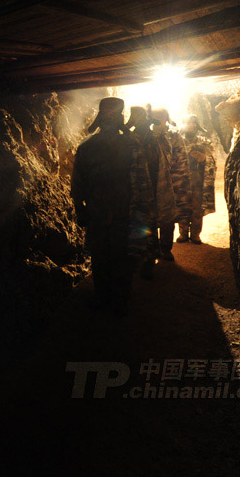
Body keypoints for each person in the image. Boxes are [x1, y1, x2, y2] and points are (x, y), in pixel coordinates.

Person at [71, 98, 151, 316]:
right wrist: (144, 211)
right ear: (121, 118)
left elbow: (77, 182)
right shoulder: (131, 144)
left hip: (105, 212)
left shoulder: (87, 146)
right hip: (119, 212)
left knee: (104, 257)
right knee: (117, 257)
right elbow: (142, 181)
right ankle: (117, 300)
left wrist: (80, 208)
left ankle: (106, 298)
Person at [126, 107, 190, 279]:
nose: (159, 121)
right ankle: (149, 254)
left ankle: (165, 249)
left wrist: (179, 184)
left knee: (167, 218)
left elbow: (178, 160)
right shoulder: (133, 138)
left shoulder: (168, 137)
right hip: (145, 186)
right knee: (148, 221)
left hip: (166, 183)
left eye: (161, 117)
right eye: (155, 117)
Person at [177, 114, 216, 244]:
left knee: (197, 208)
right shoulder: (178, 141)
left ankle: (195, 235)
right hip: (182, 180)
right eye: (189, 123)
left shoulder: (204, 142)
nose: (192, 125)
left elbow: (213, 159)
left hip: (198, 180)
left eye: (194, 123)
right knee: (182, 206)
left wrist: (204, 158)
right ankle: (183, 234)